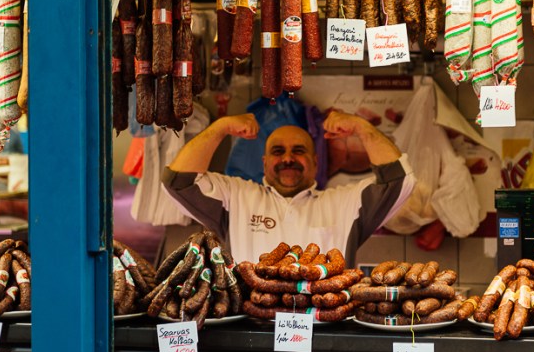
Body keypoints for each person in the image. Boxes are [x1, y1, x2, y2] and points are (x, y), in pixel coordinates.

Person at [161, 110, 414, 265]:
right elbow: (178, 181)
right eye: (278, 151)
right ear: (265, 162)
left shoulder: (345, 203)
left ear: (316, 163)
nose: (288, 159)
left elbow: (397, 180)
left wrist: (361, 127)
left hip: (323, 333)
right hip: (250, 333)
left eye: (299, 151)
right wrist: (221, 128)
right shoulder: (236, 196)